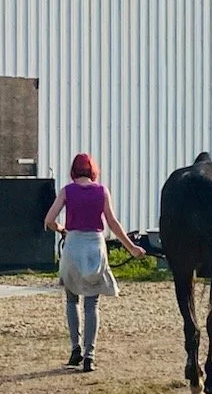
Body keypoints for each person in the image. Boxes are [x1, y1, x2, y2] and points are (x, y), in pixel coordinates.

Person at [44, 153, 146, 372]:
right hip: (94, 246)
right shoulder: (101, 191)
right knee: (93, 303)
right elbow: (112, 222)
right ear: (92, 170)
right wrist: (132, 248)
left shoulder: (67, 191)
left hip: (72, 245)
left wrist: (63, 229)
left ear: (74, 170)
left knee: (72, 301)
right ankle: (90, 355)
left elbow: (49, 220)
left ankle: (75, 349)